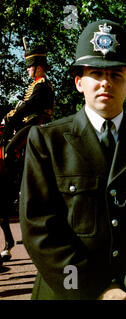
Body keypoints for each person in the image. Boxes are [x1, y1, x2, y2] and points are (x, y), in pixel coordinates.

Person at [19, 19, 126, 300]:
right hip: (69, 292)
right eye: (96, 73)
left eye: (117, 75)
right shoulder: (47, 142)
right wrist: (98, 290)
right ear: (80, 82)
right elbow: (39, 229)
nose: (106, 82)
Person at [0, 45, 55, 263]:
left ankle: (17, 182)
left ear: (38, 67)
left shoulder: (41, 85)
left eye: (30, 66)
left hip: (36, 123)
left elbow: (29, 106)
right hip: (30, 120)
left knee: (10, 149)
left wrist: (10, 117)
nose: (28, 70)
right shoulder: (36, 85)